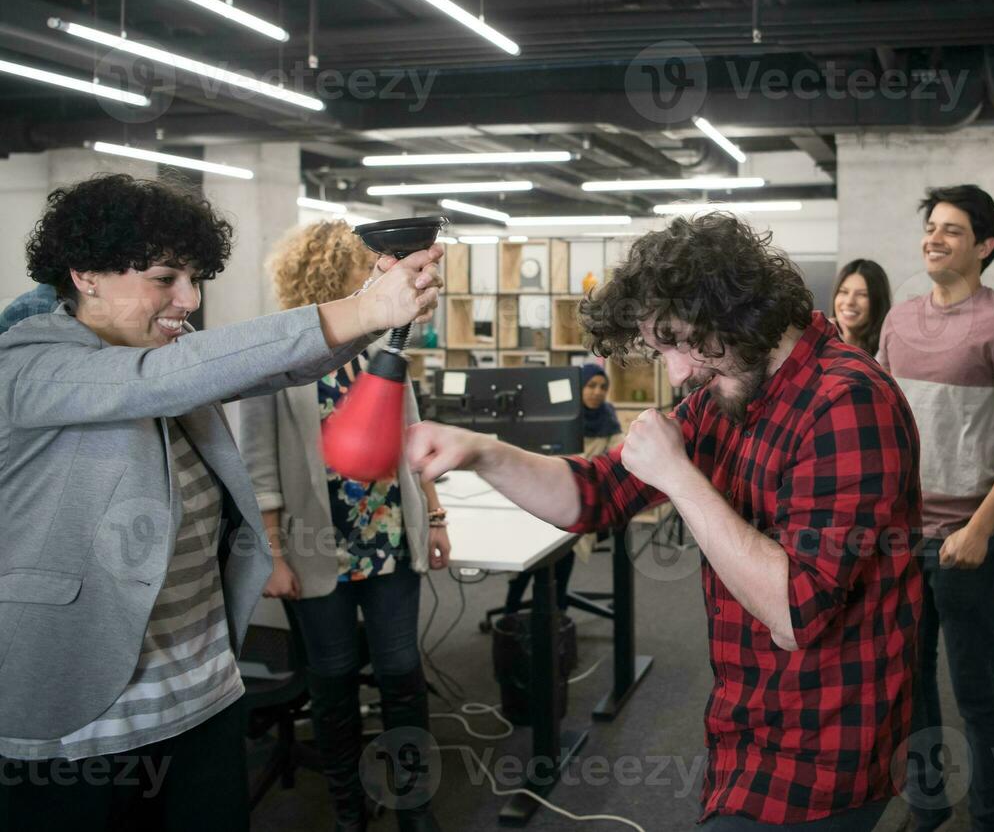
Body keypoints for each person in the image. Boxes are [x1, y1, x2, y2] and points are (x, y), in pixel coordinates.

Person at [404, 213, 924, 830]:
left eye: (679, 341)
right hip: (747, 723)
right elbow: (593, 495)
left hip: (825, 744)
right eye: (660, 349)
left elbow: (795, 612)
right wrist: (480, 450)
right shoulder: (729, 390)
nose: (677, 373)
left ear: (737, 309)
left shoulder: (848, 401)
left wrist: (678, 475)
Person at [0, 173, 441, 832]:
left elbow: (273, 368)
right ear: (87, 274)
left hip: (202, 697)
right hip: (79, 717)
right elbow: (159, 381)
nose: (190, 299)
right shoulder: (27, 364)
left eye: (196, 278)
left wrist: (372, 308)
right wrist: (367, 310)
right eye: (165, 278)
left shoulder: (164, 357)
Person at [237, 220, 451, 832]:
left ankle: (415, 806)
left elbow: (412, 439)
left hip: (388, 537)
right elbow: (260, 470)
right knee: (331, 687)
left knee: (402, 675)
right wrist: (273, 555)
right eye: (369, 267)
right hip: (316, 546)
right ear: (334, 271)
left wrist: (434, 516)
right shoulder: (278, 353)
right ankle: (348, 811)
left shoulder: (385, 342)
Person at [878, 185, 994, 832]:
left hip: (969, 541)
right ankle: (927, 807)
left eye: (952, 230)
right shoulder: (897, 321)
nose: (934, 238)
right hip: (902, 538)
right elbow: (885, 424)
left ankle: (991, 819)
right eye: (931, 226)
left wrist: (981, 528)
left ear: (985, 246)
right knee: (910, 683)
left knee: (976, 692)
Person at [500, 361, 623, 616]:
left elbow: (617, 461)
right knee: (532, 551)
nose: (597, 392)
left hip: (581, 502)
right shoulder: (559, 415)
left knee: (564, 547)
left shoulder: (608, 420)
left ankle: (556, 612)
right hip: (542, 496)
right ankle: (512, 612)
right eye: (591, 386)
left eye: (602, 387)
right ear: (578, 388)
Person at [831, 258, 892, 358]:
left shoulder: (889, 351)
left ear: (878, 302)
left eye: (862, 295)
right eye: (843, 292)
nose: (849, 301)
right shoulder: (817, 342)